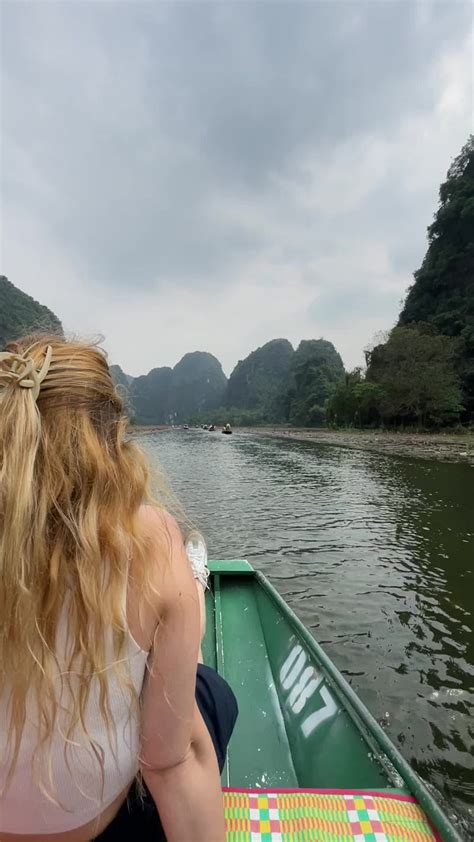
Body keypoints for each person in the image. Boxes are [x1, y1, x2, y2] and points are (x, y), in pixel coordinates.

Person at [0, 335, 237, 842]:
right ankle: (194, 587)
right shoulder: (149, 539)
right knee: (209, 691)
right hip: (103, 828)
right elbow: (169, 764)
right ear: (113, 442)